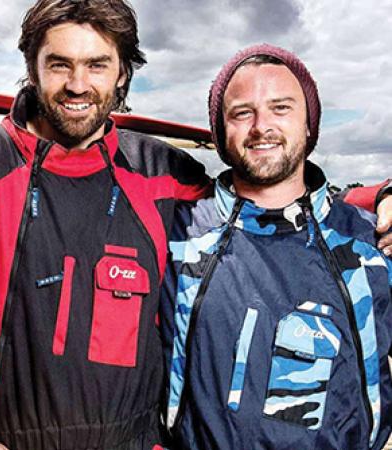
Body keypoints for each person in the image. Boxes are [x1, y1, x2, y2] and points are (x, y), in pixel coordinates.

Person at [0, 1, 390, 448]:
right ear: (33, 69)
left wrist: (374, 200)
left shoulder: (163, 173)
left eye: (97, 64)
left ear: (123, 76)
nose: (78, 84)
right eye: (60, 64)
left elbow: (261, 196)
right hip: (12, 439)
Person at [162, 44, 392, 449]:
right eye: (242, 112)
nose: (261, 126)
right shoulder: (176, 237)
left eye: (280, 108)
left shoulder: (371, 246)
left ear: (309, 124)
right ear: (221, 132)